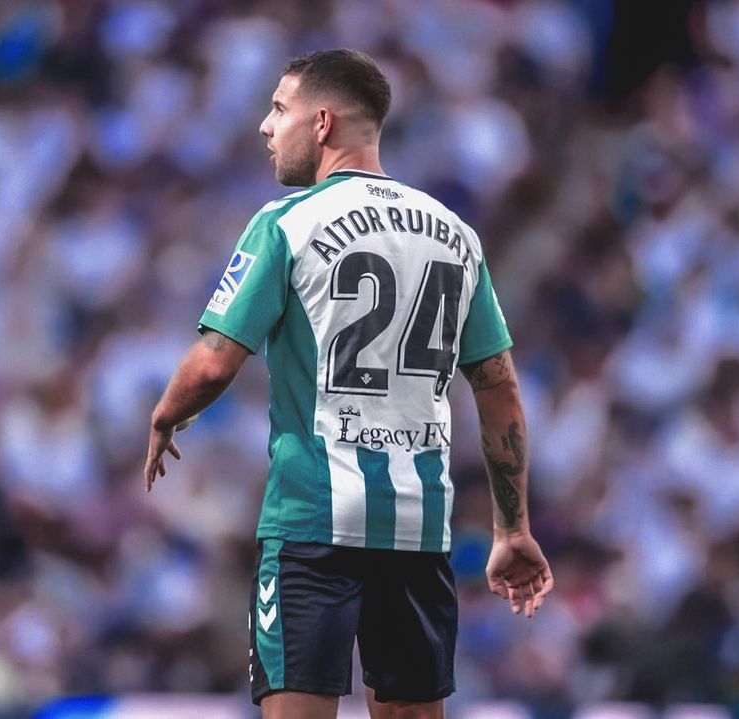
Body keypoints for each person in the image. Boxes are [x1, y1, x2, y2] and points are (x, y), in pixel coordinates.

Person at [144, 49, 553, 719]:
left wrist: (167, 413)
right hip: (417, 527)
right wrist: (512, 527)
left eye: (280, 109)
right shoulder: (457, 236)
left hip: (313, 521)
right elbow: (500, 388)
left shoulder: (286, 222)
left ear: (323, 122)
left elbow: (215, 363)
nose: (265, 126)